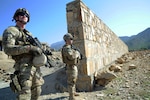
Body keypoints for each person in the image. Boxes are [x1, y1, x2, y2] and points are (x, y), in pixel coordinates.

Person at [2, 8, 45, 100]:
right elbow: (8, 49)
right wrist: (29, 48)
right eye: (22, 14)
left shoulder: (29, 34)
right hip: (23, 67)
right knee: (24, 95)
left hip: (34, 67)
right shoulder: (11, 30)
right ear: (16, 17)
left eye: (26, 16)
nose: (24, 16)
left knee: (37, 92)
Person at [61, 33, 81, 100]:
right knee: (71, 82)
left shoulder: (69, 47)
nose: (72, 40)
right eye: (71, 39)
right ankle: (71, 97)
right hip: (70, 67)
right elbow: (71, 56)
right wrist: (77, 53)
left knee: (73, 80)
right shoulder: (66, 48)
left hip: (73, 66)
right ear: (67, 40)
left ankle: (73, 92)